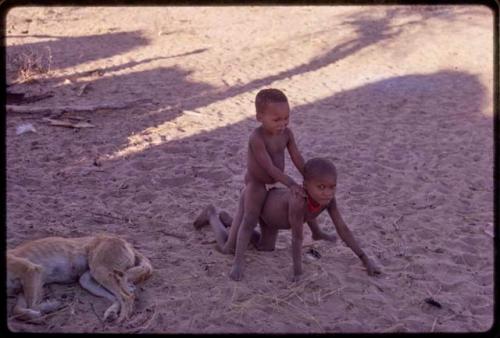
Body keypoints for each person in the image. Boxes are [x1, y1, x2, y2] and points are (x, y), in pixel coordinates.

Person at [195, 88, 335, 281]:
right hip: (257, 186)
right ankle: (214, 218)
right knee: (234, 240)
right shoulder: (256, 138)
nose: (283, 123)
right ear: (259, 117)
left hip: (274, 188)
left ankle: (230, 220)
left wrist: (310, 179)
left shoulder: (287, 134)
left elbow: (296, 157)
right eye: (276, 120)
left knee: (266, 247)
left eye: (286, 118)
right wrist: (291, 184)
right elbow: (269, 168)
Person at [194, 157, 380, 281]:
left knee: (265, 247)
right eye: (321, 187)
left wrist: (365, 259)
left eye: (332, 187)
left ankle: (230, 220)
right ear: (306, 186)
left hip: (271, 220)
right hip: (256, 203)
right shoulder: (298, 202)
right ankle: (212, 214)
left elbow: (343, 228)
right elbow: (297, 238)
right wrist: (298, 273)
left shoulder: (328, 201)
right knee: (227, 247)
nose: (327, 192)